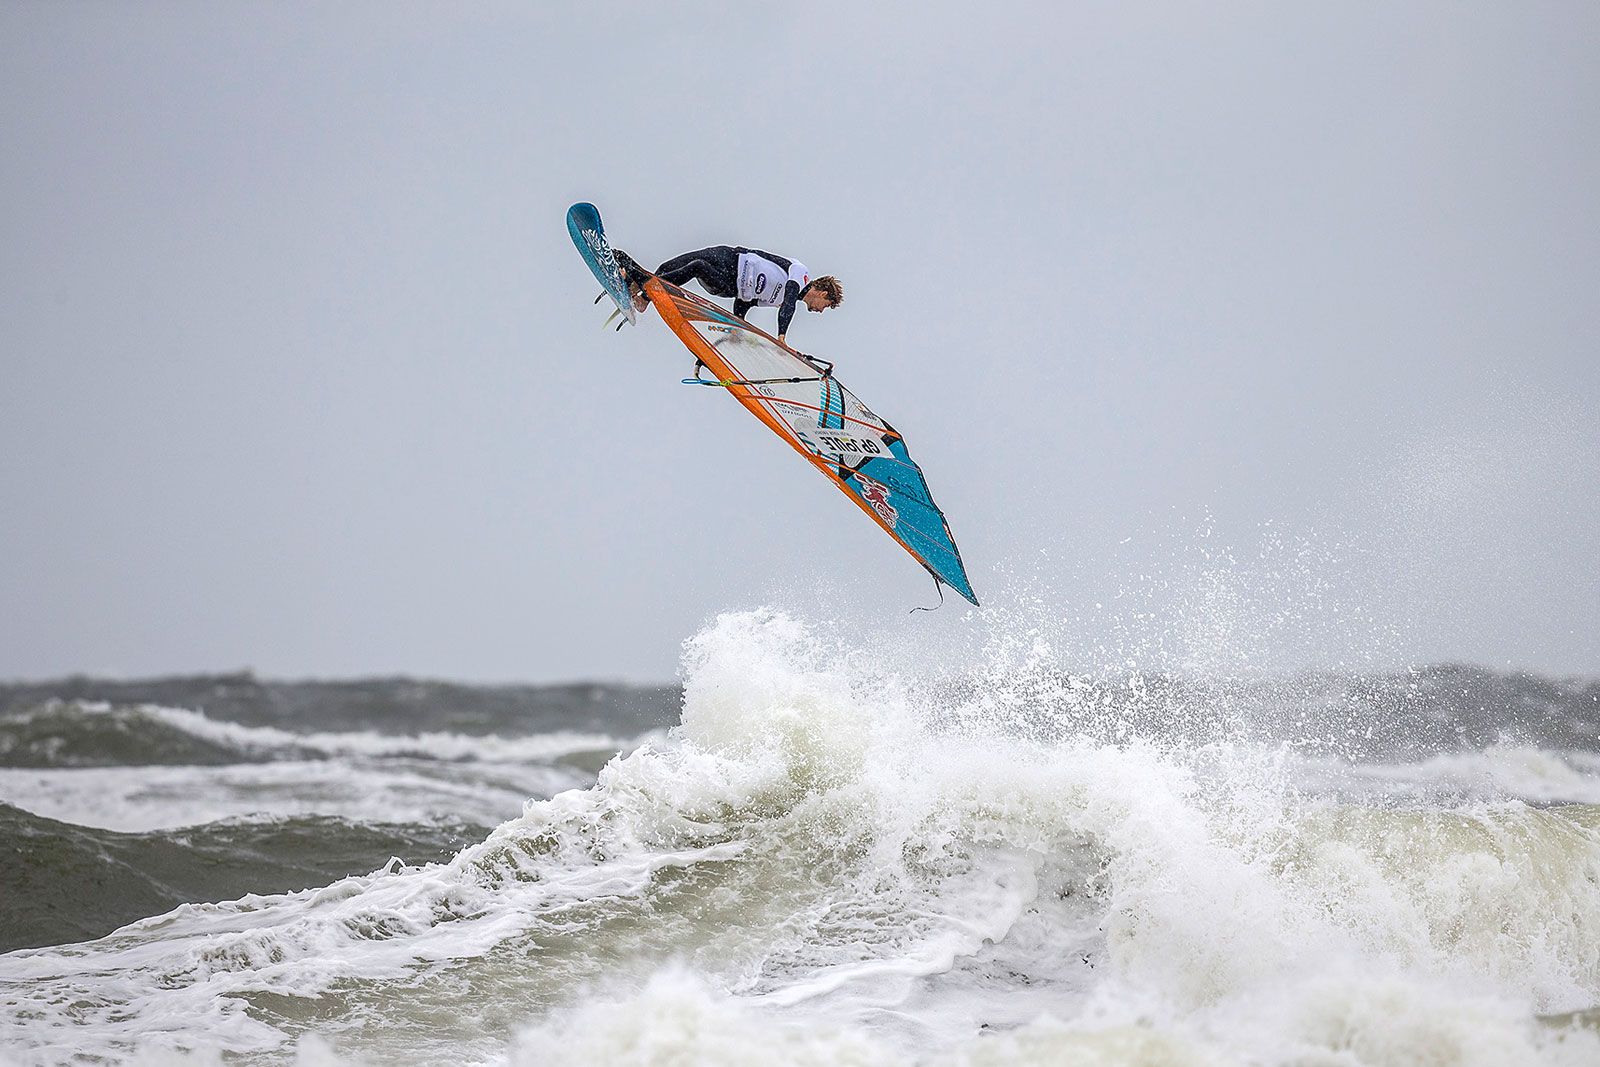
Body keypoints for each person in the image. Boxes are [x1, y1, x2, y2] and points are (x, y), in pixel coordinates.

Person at [612, 246, 842, 347]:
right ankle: (635, 285)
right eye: (826, 305)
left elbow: (745, 301)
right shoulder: (800, 273)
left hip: (728, 283)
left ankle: (638, 286)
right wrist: (781, 337)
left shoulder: (779, 301)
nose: (820, 310)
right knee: (671, 267)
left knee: (697, 267)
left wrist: (736, 326)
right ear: (822, 292)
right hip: (730, 257)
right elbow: (791, 298)